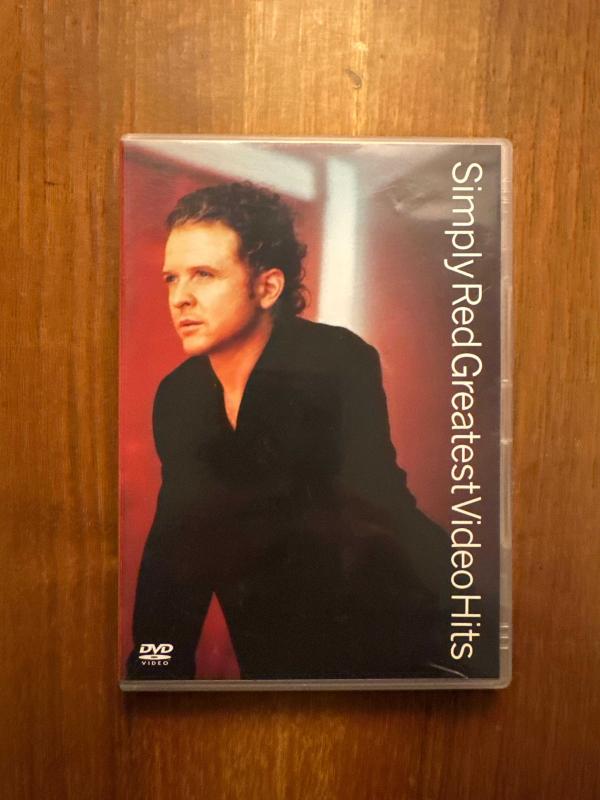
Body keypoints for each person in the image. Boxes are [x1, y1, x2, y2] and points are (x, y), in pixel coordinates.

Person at [126, 181, 451, 681]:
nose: (180, 298)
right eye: (172, 278)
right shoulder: (179, 394)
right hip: (274, 661)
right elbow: (176, 544)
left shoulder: (336, 359)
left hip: (391, 636)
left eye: (204, 274)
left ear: (268, 287)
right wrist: (155, 667)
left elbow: (375, 507)